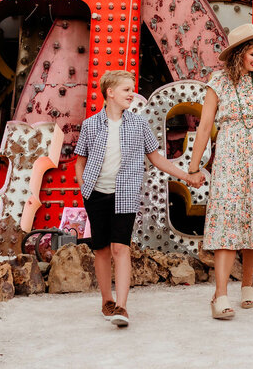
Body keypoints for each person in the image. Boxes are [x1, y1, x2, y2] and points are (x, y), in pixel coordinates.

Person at [75, 69, 203, 328]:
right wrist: (82, 183)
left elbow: (156, 159)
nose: (132, 94)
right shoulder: (90, 125)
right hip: (95, 195)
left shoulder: (139, 124)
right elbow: (81, 160)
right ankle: (106, 301)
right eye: (126, 90)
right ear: (109, 93)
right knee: (100, 249)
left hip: (124, 195)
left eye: (132, 89)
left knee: (120, 247)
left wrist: (187, 177)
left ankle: (122, 306)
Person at [188, 24, 253, 320]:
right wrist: (195, 166)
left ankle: (247, 284)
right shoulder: (218, 83)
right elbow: (205, 125)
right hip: (230, 158)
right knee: (227, 225)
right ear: (238, 54)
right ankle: (220, 295)